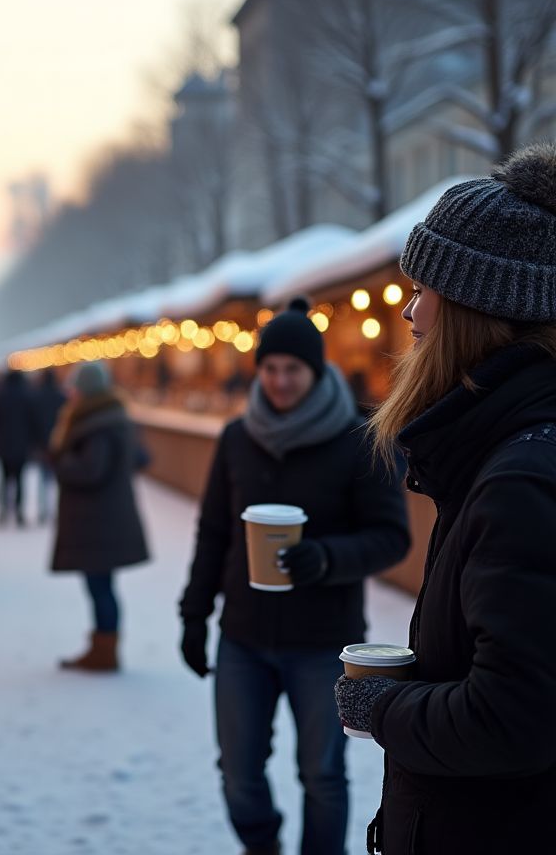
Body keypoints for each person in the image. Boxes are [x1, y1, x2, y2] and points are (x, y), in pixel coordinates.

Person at [334, 146, 556, 854]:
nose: (409, 312)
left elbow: (512, 717)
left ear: (476, 311)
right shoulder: (512, 453)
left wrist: (387, 706)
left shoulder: (520, 479)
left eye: (426, 289)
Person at [179, 298, 409, 855]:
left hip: (322, 641)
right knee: (238, 772)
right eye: (270, 368)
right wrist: (193, 615)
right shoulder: (237, 437)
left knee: (323, 775)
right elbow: (213, 532)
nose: (280, 381)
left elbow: (391, 536)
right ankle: (262, 844)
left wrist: (325, 558)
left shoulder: (359, 439)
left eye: (293, 369)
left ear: (316, 369)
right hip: (243, 637)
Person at [50, 361, 150, 672]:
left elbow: (91, 470)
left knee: (100, 586)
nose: (70, 394)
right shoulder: (112, 419)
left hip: (98, 521)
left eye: (75, 388)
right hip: (105, 518)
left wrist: (60, 462)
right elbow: (140, 457)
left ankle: (104, 652)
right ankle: (102, 647)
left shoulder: (97, 425)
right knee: (101, 585)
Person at [0, 369, 37, 526]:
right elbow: (34, 422)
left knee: (4, 479)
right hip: (21, 445)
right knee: (20, 480)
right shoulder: (27, 397)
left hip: (3, 444)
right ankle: (19, 511)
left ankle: (3, 510)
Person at [30, 368, 67, 524]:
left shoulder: (37, 397)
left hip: (42, 444)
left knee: (43, 478)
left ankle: (44, 509)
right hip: (59, 444)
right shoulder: (61, 398)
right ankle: (54, 509)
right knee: (57, 478)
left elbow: (33, 421)